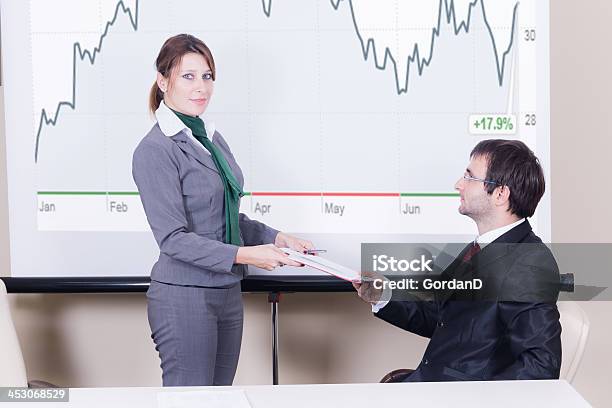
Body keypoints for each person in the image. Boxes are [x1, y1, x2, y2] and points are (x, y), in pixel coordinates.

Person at [132, 34, 313, 386]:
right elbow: (173, 239)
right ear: (162, 80)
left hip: (226, 292)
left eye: (208, 76)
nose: (201, 87)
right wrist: (247, 254)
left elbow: (226, 215)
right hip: (184, 296)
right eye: (189, 76)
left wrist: (276, 237)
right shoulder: (155, 149)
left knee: (220, 400)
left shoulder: (211, 138)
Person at [354, 139, 562, 381]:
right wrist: (384, 296)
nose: (458, 185)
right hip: (431, 386)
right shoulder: (479, 248)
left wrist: (470, 399)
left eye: (469, 177)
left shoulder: (528, 264)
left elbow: (541, 366)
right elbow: (443, 318)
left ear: (500, 193)